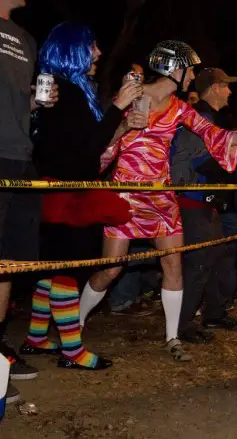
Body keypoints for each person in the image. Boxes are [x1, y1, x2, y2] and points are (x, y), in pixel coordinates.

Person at [78, 41, 237, 362]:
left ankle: (172, 338)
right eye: (189, 69)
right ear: (174, 69)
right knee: (111, 269)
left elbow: (213, 135)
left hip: (161, 196)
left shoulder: (180, 108)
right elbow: (100, 143)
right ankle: (74, 325)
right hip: (126, 194)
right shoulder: (131, 96)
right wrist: (123, 124)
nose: (192, 76)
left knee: (173, 264)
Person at [22, 22, 147, 371]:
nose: (99, 53)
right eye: (91, 46)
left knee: (51, 270)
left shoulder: (71, 90)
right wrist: (118, 105)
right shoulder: (67, 92)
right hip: (68, 195)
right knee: (67, 273)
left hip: (61, 191)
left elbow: (88, 143)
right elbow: (84, 154)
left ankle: (35, 338)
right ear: (72, 50)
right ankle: (72, 351)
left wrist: (120, 124)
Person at [0, 0, 53, 402]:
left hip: (19, 158)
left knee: (8, 258)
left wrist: (38, 103)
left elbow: (20, 101)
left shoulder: (27, 40)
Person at [171, 67, 237, 343]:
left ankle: (214, 313)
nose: (230, 91)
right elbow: (199, 162)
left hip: (205, 199)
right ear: (215, 88)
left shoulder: (211, 117)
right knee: (199, 262)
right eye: (226, 85)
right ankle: (182, 325)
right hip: (193, 199)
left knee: (216, 255)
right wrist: (235, 158)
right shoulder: (201, 118)